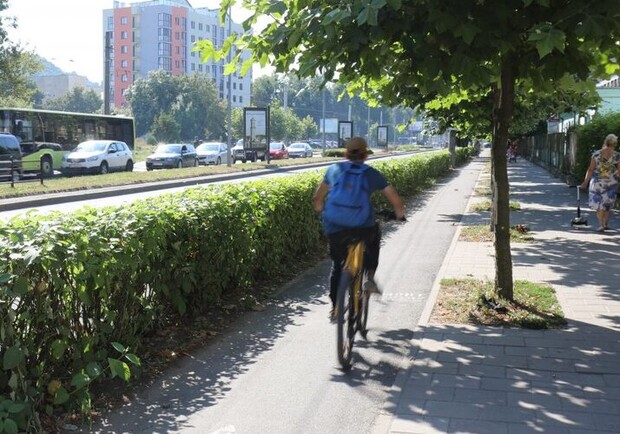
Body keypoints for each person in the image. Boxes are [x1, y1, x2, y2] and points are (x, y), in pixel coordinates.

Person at [312, 136, 405, 320]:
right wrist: (399, 215)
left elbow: (317, 199)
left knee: (338, 264)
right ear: (365, 155)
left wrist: (322, 212)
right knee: (374, 236)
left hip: (335, 227)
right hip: (362, 227)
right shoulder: (370, 173)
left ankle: (336, 306)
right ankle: (369, 278)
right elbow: (395, 200)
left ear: (346, 154)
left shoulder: (334, 170)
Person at [579, 133, 620, 232]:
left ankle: (601, 224)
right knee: (607, 204)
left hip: (597, 182)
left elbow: (590, 169)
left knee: (598, 204)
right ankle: (605, 223)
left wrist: (585, 182)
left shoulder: (596, 154)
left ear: (605, 142)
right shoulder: (617, 155)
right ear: (615, 144)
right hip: (611, 183)